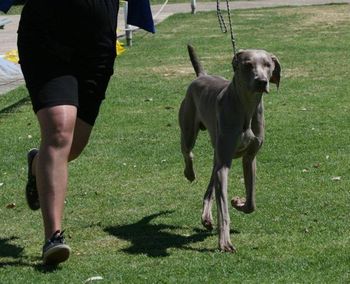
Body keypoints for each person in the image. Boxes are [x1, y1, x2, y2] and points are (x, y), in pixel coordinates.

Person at [17, 0, 120, 265]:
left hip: (97, 45)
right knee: (59, 131)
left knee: (72, 146)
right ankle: (53, 236)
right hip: (46, 37)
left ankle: (38, 164)